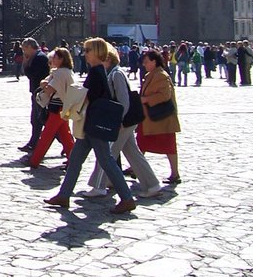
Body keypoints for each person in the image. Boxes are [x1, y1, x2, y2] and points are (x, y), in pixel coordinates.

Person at [45, 38, 136, 214]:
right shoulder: (97, 70)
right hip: (91, 123)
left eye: (88, 51)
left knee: (106, 161)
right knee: (76, 161)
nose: (84, 54)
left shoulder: (96, 71)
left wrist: (73, 93)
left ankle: (127, 198)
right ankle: (64, 195)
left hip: (95, 123)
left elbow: (91, 95)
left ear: (97, 52)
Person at [82, 49, 162, 198]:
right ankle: (152, 185)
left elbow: (124, 100)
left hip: (123, 121)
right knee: (133, 153)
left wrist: (118, 121)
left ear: (108, 60)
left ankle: (99, 186)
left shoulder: (116, 74)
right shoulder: (113, 73)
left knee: (107, 153)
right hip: (126, 120)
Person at [137, 49, 182, 184]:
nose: (144, 64)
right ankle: (135, 167)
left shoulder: (161, 75)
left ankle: (175, 174)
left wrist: (145, 99)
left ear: (154, 61)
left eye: (146, 62)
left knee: (168, 146)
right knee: (141, 143)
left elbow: (164, 95)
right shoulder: (151, 75)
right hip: (150, 118)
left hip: (162, 118)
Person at [26, 48, 75, 169]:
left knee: (46, 135)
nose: (53, 59)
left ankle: (34, 160)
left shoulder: (59, 73)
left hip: (57, 107)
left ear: (63, 59)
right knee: (65, 135)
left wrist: (44, 85)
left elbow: (49, 90)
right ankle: (73, 159)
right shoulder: (66, 71)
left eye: (56, 58)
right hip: (65, 107)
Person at [20, 37, 50, 153]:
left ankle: (65, 143)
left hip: (40, 92)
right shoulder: (36, 57)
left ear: (29, 47)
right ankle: (33, 143)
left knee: (40, 119)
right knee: (37, 119)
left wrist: (25, 63)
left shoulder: (39, 58)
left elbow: (32, 74)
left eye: (24, 49)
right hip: (36, 91)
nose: (24, 52)